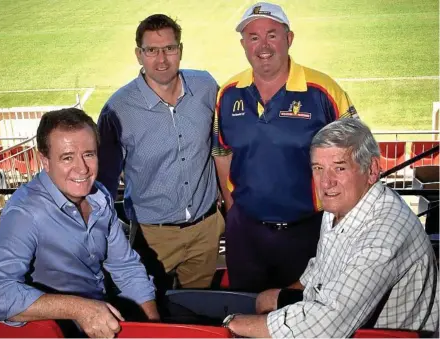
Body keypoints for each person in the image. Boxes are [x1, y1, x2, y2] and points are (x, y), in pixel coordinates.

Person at [222, 119, 439, 338]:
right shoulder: (341, 205)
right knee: (265, 299)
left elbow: (327, 325)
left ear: (372, 170)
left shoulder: (385, 235)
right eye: (318, 168)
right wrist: (285, 295)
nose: (326, 183)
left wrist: (232, 324)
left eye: (339, 168)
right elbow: (321, 268)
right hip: (342, 316)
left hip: (379, 333)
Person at [212, 1, 359, 292]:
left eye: (272, 35)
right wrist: (234, 212)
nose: (263, 46)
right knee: (247, 314)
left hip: (308, 232)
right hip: (246, 235)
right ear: (243, 44)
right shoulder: (228, 93)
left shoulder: (323, 91)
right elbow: (222, 153)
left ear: (289, 39)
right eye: (253, 37)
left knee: (306, 318)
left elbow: (358, 155)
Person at [0, 108, 159, 338]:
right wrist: (78, 308)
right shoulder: (25, 213)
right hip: (56, 331)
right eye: (67, 157)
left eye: (89, 154)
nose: (82, 168)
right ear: (45, 161)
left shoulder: (99, 196)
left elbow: (126, 267)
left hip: (98, 318)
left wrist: (154, 326)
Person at [97, 14, 224, 289]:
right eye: (152, 50)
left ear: (180, 50)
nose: (162, 59)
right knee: (151, 312)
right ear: (138, 55)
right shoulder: (117, 109)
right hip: (153, 236)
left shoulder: (206, 87)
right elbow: (104, 180)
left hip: (206, 229)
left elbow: (222, 145)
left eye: (169, 48)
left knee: (197, 313)